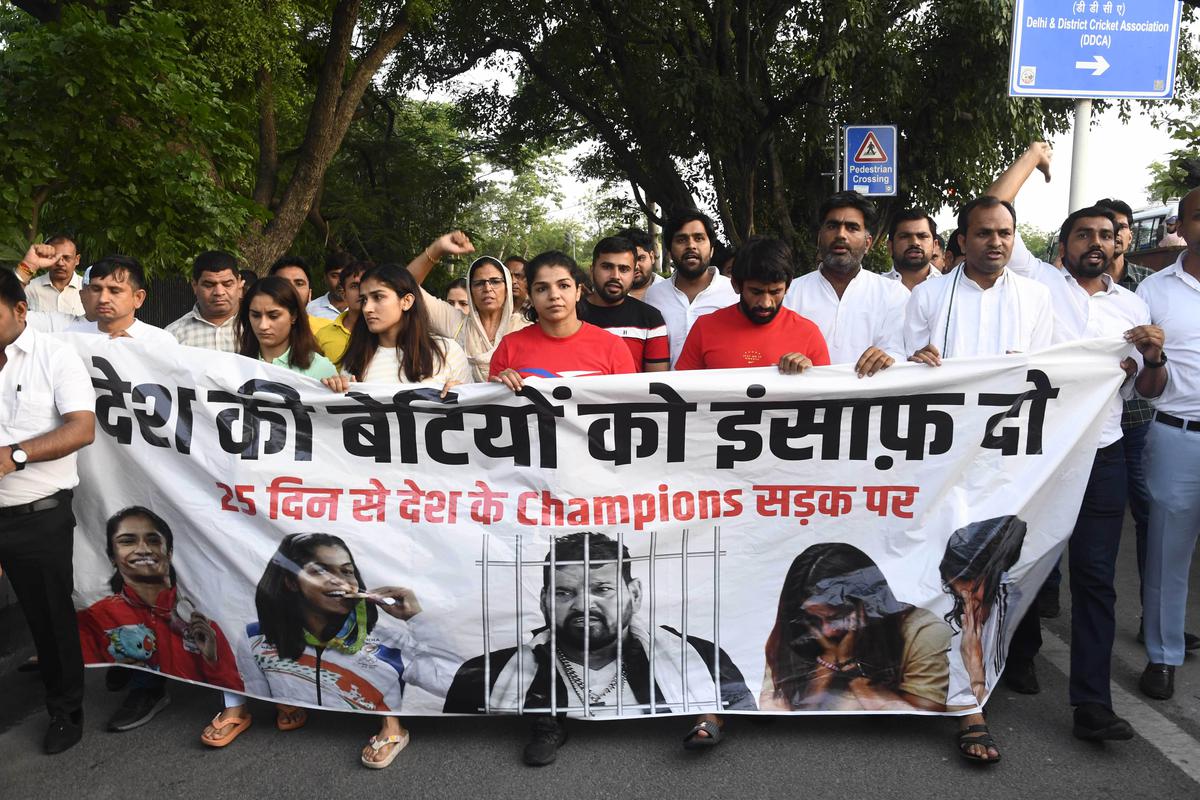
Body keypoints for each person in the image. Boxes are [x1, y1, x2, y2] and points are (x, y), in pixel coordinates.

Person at [444, 532, 755, 765]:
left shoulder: (694, 653)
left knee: (714, 693)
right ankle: (547, 719)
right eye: (565, 592)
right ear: (544, 600)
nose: (583, 604)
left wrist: (715, 717)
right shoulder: (489, 671)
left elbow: (740, 697)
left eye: (602, 589)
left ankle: (707, 720)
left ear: (633, 593)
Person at [238, 533, 458, 769]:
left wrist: (418, 620)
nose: (340, 581)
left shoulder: (389, 641)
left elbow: (452, 684)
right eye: (320, 571)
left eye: (346, 571)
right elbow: (255, 687)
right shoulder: (256, 636)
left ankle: (392, 727)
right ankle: (289, 705)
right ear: (291, 582)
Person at [0, 268, 96, 754]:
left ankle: (65, 710)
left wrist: (14, 455)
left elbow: (81, 429)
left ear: (20, 310)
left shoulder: (55, 357)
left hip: (36, 515)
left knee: (49, 620)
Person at [77, 507, 245, 735]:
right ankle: (143, 686)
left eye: (153, 540)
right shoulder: (96, 617)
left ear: (170, 551)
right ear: (111, 556)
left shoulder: (202, 617)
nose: (143, 549)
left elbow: (233, 678)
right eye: (127, 541)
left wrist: (211, 658)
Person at [1131, 186, 1200, 701]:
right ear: (1182, 223)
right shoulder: (1153, 291)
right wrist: (1153, 360)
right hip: (1176, 434)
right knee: (1167, 555)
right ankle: (1163, 655)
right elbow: (1144, 386)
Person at [760, 543, 950, 713]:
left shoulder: (922, 631)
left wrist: (850, 666)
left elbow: (922, 716)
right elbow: (772, 712)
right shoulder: (802, 628)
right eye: (815, 618)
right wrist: (826, 666)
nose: (827, 631)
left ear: (868, 603)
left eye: (837, 617)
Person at [783, 192, 908, 377]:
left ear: (868, 244)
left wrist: (888, 358)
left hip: (871, 403)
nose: (841, 235)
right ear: (819, 238)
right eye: (832, 226)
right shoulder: (790, 293)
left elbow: (903, 353)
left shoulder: (893, 294)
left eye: (852, 228)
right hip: (805, 402)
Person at [676, 236, 830, 374]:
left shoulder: (809, 334)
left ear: (788, 287)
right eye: (756, 292)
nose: (765, 303)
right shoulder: (704, 328)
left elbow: (825, 395)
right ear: (736, 285)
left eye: (775, 292)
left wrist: (812, 376)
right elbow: (681, 392)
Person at [490, 251, 637, 388]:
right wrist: (500, 387)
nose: (554, 295)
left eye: (564, 286)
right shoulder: (508, 348)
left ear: (578, 292)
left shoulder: (613, 348)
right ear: (531, 297)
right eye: (542, 289)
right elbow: (493, 409)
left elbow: (631, 405)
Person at [323, 263, 470, 394]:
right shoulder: (355, 361)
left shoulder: (448, 353)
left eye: (378, 297)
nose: (367, 308)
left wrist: (463, 395)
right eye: (364, 300)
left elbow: (474, 416)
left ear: (406, 301)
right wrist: (337, 392)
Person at [406, 232, 530, 382]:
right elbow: (405, 285)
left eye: (495, 281)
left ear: (508, 287)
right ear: (470, 290)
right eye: (479, 283)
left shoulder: (525, 329)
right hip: (463, 406)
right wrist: (437, 248)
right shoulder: (456, 324)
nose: (487, 288)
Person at [939, 516, 1028, 715]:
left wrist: (975, 664)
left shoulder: (1007, 593)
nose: (968, 607)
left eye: (975, 597)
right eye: (959, 596)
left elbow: (978, 690)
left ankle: (1023, 659)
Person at [644, 209, 737, 367]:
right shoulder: (654, 295)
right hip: (668, 390)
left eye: (699, 238)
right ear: (670, 252)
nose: (691, 246)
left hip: (722, 390)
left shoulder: (733, 292)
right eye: (681, 240)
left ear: (712, 248)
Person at [578, 236, 670, 372]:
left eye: (624, 269)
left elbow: (657, 382)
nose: (615, 276)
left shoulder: (651, 318)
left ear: (633, 274)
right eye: (607, 267)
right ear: (592, 271)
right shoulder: (571, 314)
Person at [238, 276, 337, 380]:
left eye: (273, 316)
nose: (263, 325)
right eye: (256, 315)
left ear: (294, 315)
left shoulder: (320, 369)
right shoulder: (237, 365)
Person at [66, 256, 177, 346]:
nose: (102, 299)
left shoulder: (161, 342)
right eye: (96, 289)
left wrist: (139, 352)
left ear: (138, 298)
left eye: (114, 291)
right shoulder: (71, 337)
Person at [166, 251, 243, 351]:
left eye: (227, 284)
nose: (219, 292)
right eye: (209, 285)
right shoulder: (173, 335)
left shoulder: (256, 328)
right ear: (194, 285)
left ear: (239, 282)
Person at [15, 234, 85, 317]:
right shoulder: (30, 288)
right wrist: (29, 264)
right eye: (54, 257)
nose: (60, 263)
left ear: (77, 260)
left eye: (66, 258)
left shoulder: (88, 289)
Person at [315, 260, 368, 368]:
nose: (361, 291)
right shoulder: (322, 335)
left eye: (366, 284)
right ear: (344, 294)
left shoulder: (387, 333)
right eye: (354, 286)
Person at [268, 256, 332, 336]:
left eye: (299, 284)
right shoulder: (258, 329)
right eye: (284, 283)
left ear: (309, 293)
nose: (292, 290)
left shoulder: (328, 330)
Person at [883, 209, 943, 291]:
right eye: (904, 236)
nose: (914, 243)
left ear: (934, 245)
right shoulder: (876, 288)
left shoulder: (948, 288)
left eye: (922, 236)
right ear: (890, 246)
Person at [616, 227, 659, 300]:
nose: (635, 266)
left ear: (652, 257)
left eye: (640, 258)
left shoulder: (672, 290)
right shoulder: (609, 295)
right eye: (628, 260)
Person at [307, 252, 352, 320]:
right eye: (334, 276)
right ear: (325, 278)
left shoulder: (363, 308)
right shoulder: (311, 309)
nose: (340, 281)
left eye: (345, 275)